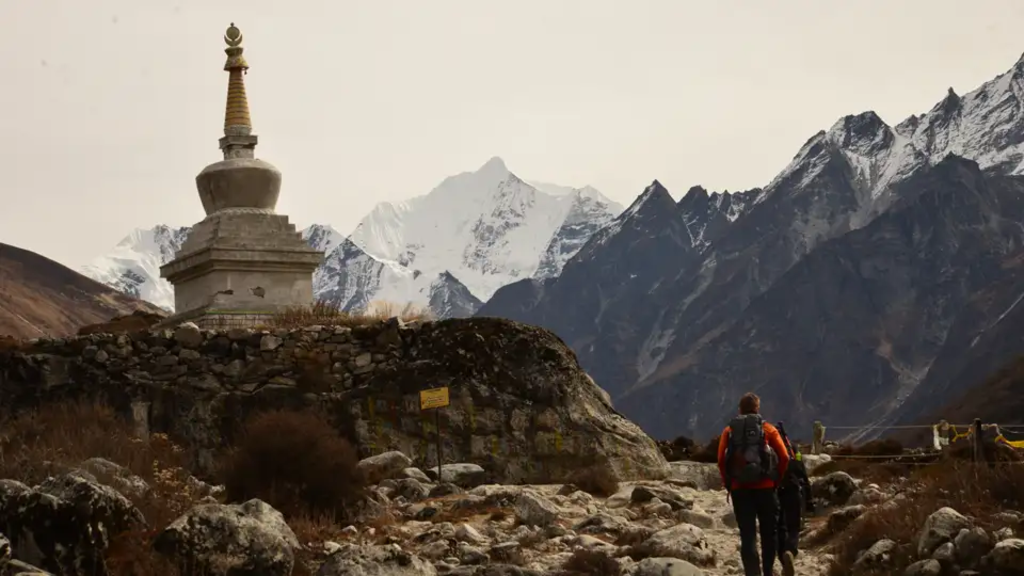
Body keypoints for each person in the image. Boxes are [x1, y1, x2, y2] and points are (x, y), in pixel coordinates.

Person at [717, 393, 791, 576]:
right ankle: (768, 572)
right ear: (757, 409)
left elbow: (720, 460)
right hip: (766, 488)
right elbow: (784, 457)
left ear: (739, 410)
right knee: (769, 534)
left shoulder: (729, 431)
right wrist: (775, 478)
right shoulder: (768, 429)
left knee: (747, 535)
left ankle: (752, 573)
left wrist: (729, 483)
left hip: (740, 490)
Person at [775, 421, 814, 574]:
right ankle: (790, 551)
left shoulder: (767, 449)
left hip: (775, 492)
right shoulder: (793, 449)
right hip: (793, 490)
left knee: (779, 528)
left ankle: (782, 559)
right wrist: (809, 500)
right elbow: (802, 474)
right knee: (794, 528)